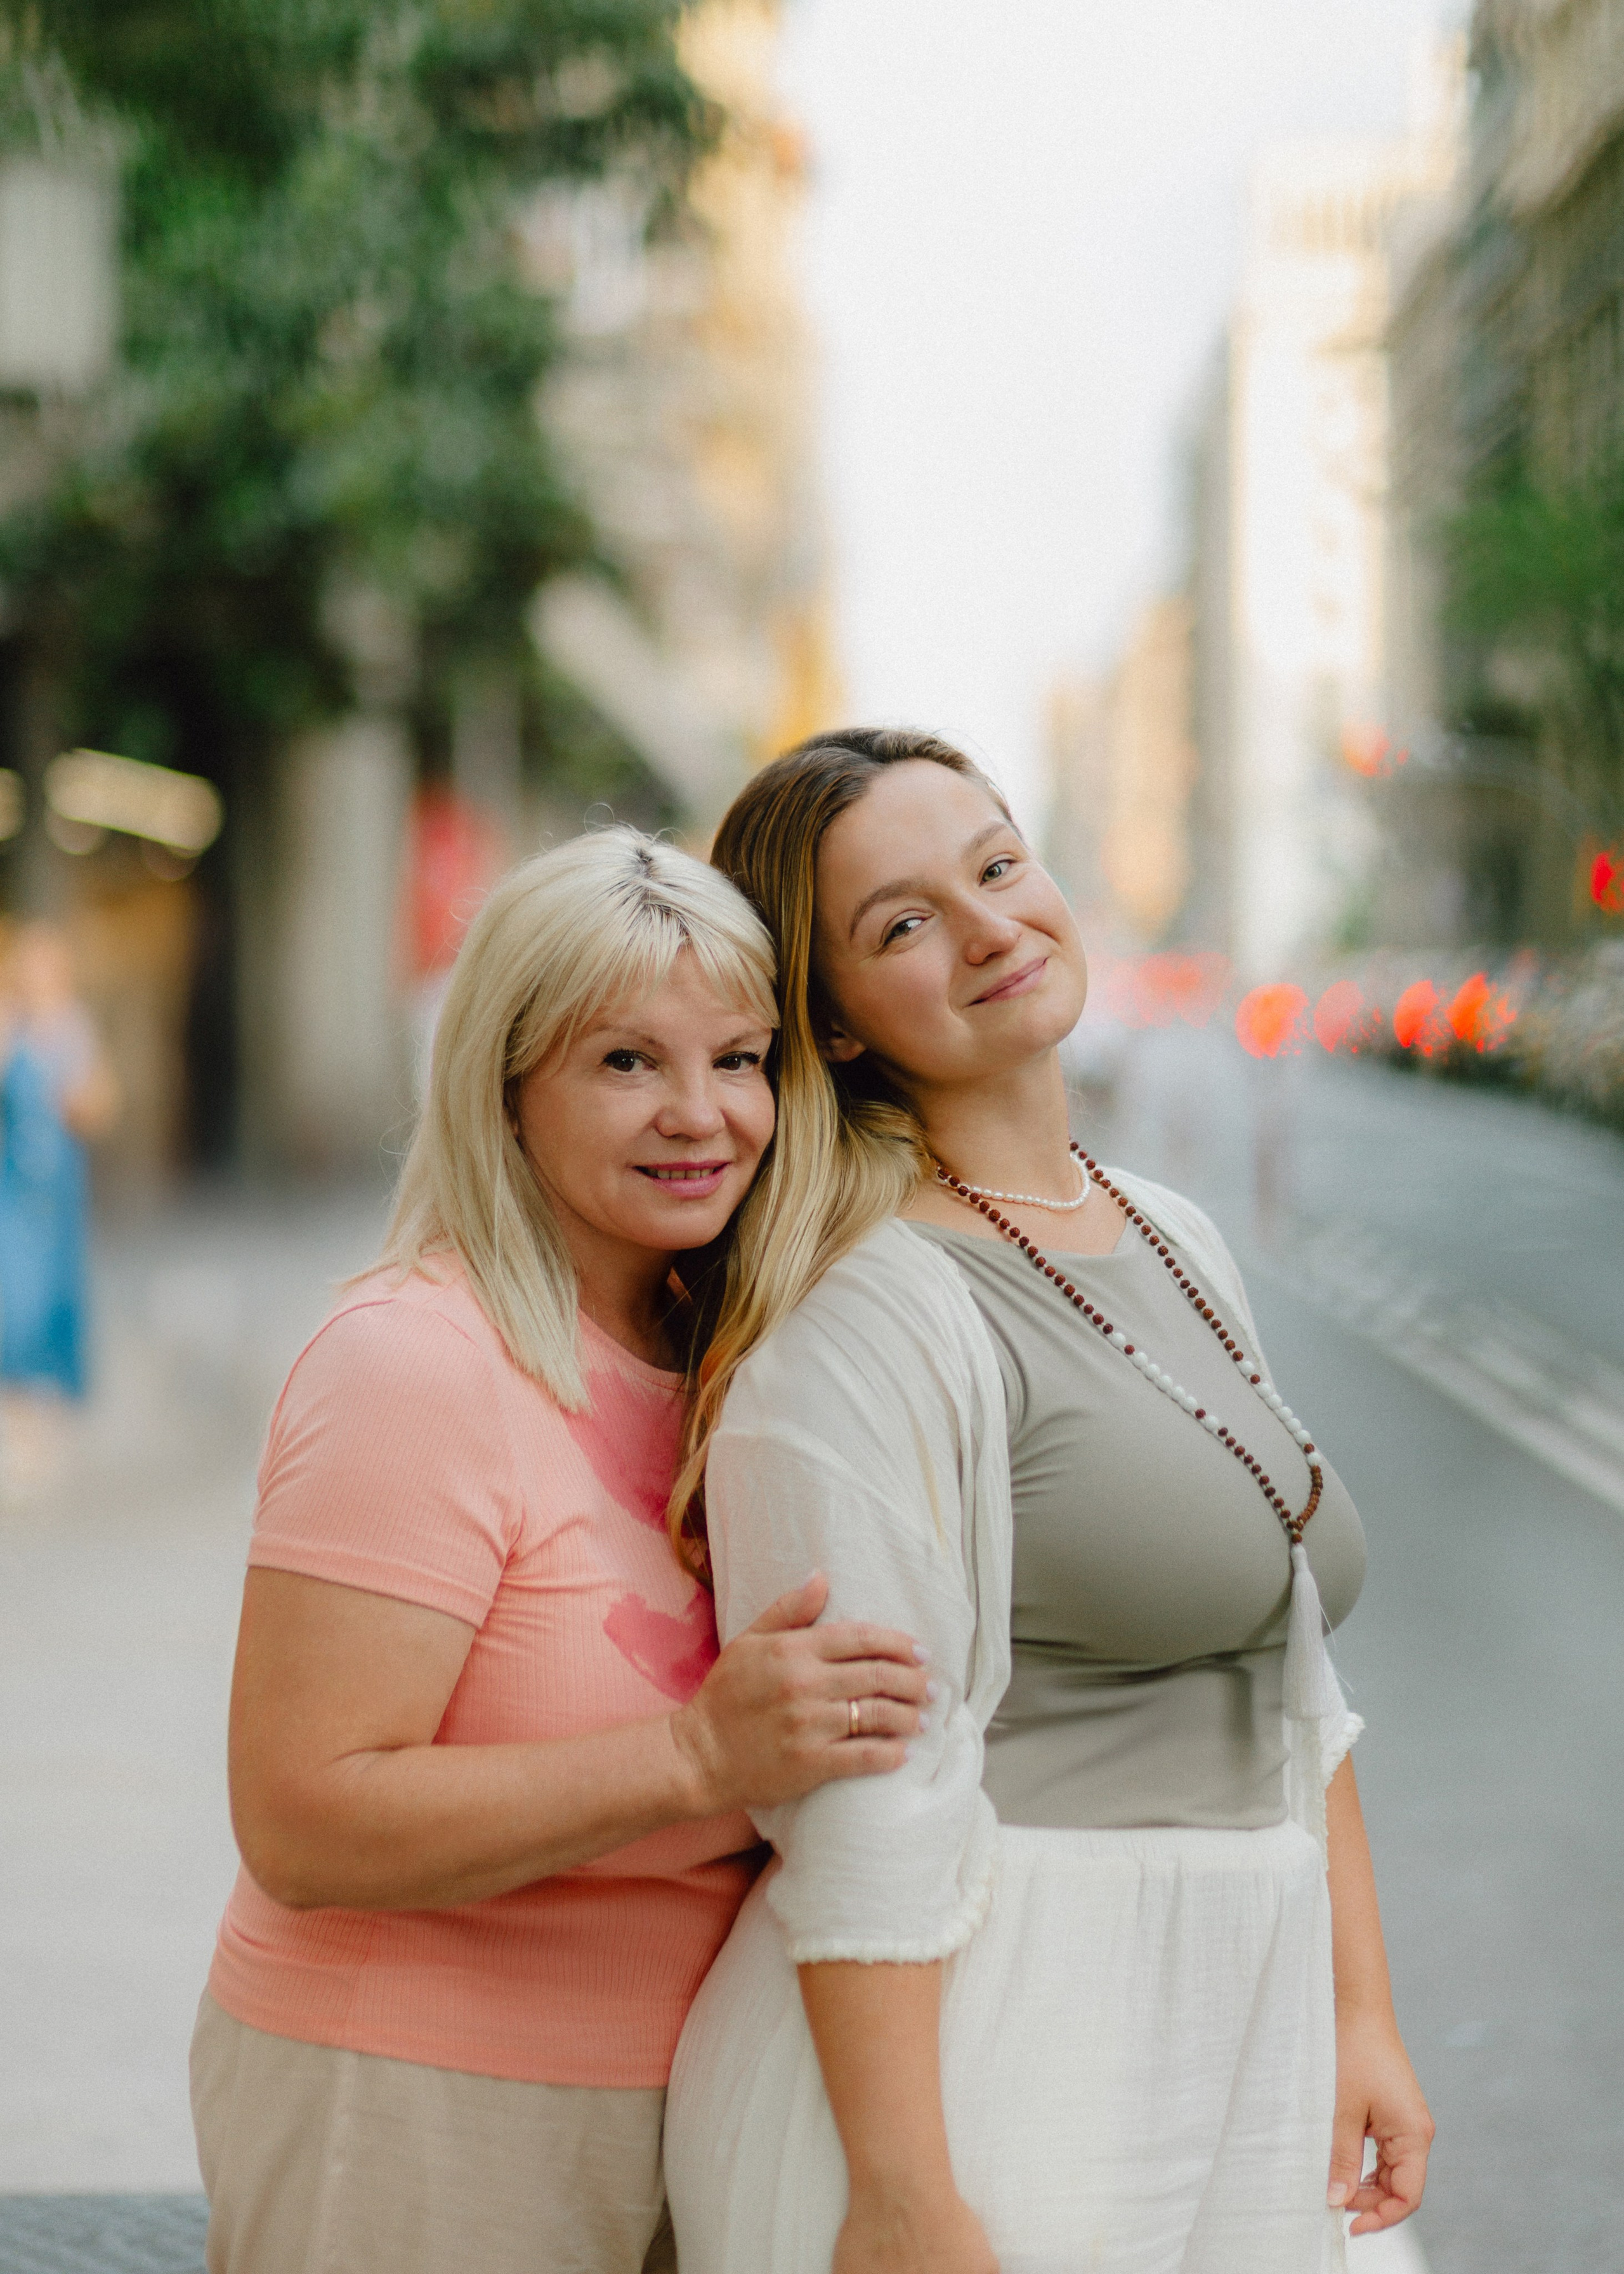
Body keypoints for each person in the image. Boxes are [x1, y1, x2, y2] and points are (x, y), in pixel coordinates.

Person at [665, 730, 1434, 2273]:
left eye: (997, 866)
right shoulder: (863, 1309)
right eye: (903, 921)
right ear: (830, 1015)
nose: (987, 927)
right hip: (1001, 2043)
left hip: (1241, 2012)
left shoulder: (1168, 1234)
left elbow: (1291, 1670)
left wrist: (1358, 2010)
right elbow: (862, 1783)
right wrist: (900, 2198)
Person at [190, 828, 933, 2274]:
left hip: (694, 2096)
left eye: (738, 1059)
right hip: (413, 2099)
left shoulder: (735, 1356)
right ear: (505, 1086)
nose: (699, 1114)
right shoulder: (415, 1362)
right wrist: (695, 1757)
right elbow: (299, 1821)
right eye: (625, 1061)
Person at [0, 920, 119, 1488]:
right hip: (12, 1195)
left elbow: (102, 1103)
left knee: (53, 1303)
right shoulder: (10, 1025)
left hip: (57, 1196)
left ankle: (43, 1433)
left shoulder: (74, 1028)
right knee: (14, 1304)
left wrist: (78, 1098)